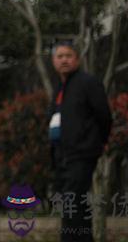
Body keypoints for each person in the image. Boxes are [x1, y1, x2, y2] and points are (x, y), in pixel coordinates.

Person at [48, 40, 111, 240]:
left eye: (68, 56)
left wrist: (95, 143)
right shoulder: (60, 88)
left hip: (81, 154)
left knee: (72, 203)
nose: (64, 60)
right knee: (74, 206)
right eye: (60, 56)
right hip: (62, 156)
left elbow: (104, 116)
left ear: (77, 59)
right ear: (53, 61)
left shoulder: (87, 83)